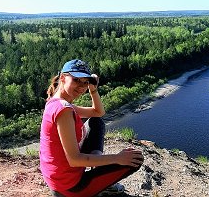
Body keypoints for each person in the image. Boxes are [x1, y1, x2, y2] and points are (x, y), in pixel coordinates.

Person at [40, 59, 144, 197]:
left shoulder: (56, 102)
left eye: (85, 82)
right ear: (63, 78)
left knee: (96, 122)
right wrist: (118, 158)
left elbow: (98, 112)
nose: (82, 87)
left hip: (58, 178)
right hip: (69, 188)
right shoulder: (63, 111)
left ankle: (98, 170)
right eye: (77, 80)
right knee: (135, 160)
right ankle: (102, 186)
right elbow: (74, 160)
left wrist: (93, 90)